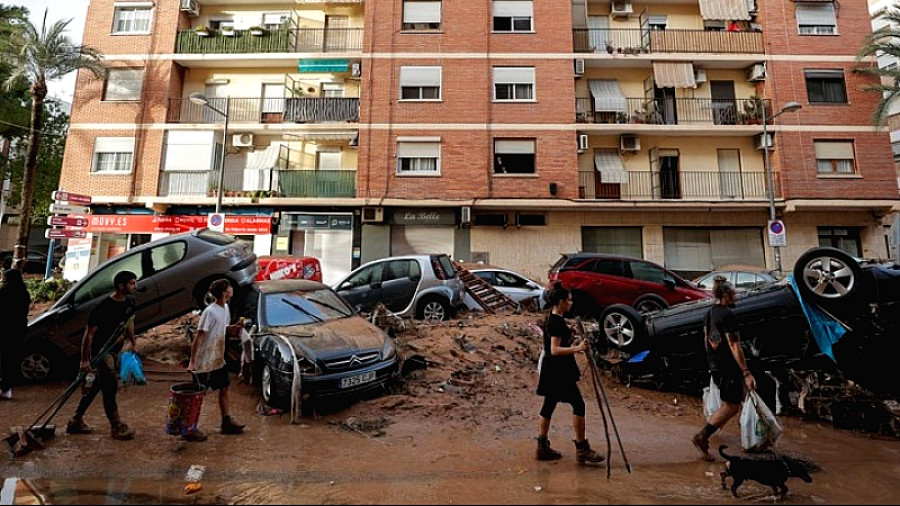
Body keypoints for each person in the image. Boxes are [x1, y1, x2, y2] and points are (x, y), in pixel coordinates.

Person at [535, 282, 605, 464]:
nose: (571, 303)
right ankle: (582, 448)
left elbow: (557, 341)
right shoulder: (556, 322)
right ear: (561, 302)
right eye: (569, 300)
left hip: (553, 370)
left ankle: (542, 447)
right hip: (559, 372)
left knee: (549, 405)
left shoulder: (554, 318)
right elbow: (555, 350)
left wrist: (571, 335)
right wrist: (578, 348)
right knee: (579, 405)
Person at [66, 271, 138, 441]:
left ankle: (76, 419)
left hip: (116, 349)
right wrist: (84, 360)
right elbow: (88, 335)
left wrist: (134, 342)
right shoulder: (103, 307)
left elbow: (129, 322)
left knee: (97, 386)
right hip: (101, 352)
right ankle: (116, 426)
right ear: (121, 286)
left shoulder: (130, 302)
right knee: (110, 385)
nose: (135, 286)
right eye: (132, 283)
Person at [692, 276, 757, 459]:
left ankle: (748, 434)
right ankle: (702, 436)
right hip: (728, 367)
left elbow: (706, 339)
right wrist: (746, 372)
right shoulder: (728, 315)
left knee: (736, 401)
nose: (736, 297)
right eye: (734, 294)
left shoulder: (710, 312)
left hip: (716, 365)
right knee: (731, 406)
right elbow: (734, 345)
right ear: (727, 295)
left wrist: (712, 363)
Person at [186, 279, 245, 442]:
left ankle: (226, 422)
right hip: (204, 359)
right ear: (224, 292)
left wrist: (235, 328)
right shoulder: (210, 312)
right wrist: (192, 361)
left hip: (217, 357)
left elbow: (223, 330)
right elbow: (199, 336)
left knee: (224, 387)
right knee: (198, 394)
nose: (232, 289)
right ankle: (190, 428)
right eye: (230, 287)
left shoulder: (225, 308)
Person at [0, 269, 31, 400]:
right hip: (19, 330)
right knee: (11, 359)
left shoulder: (4, 292)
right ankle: (7, 387)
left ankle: (5, 386)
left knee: (4, 359)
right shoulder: (24, 293)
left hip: (4, 329)